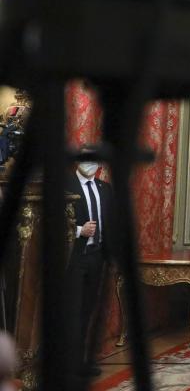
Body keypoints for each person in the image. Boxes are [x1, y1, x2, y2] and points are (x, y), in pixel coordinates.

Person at [65, 147, 114, 382]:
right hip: (75, 258)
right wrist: (79, 230)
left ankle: (82, 362)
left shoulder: (105, 189)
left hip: (97, 257)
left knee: (87, 311)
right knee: (72, 312)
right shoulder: (65, 186)